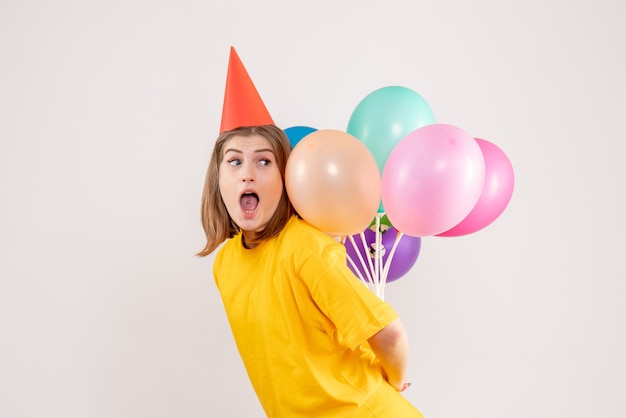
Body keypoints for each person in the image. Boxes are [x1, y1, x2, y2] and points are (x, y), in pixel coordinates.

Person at [197, 122, 423, 417]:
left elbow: (390, 335)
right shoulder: (225, 262)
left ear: (286, 179)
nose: (247, 174)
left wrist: (394, 383)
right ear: (218, 180)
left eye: (264, 161)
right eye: (235, 161)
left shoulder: (305, 247)